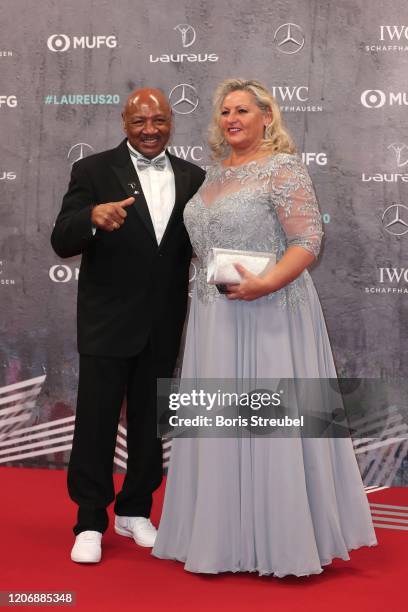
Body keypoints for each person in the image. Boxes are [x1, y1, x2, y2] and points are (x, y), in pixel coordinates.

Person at [152, 79, 377, 577]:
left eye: (243, 110)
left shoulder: (284, 169)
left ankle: (287, 542)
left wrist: (268, 282)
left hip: (272, 312)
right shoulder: (211, 176)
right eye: (225, 111)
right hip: (216, 318)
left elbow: (307, 238)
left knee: (276, 423)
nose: (232, 118)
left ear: (266, 117)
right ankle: (221, 536)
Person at [51, 88, 205, 563]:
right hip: (106, 320)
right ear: (124, 122)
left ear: (171, 121)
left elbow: (201, 245)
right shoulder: (93, 170)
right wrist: (90, 218)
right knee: (96, 422)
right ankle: (90, 520)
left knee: (148, 424)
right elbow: (61, 239)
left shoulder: (194, 176)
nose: (150, 130)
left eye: (158, 121)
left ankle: (136, 510)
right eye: (140, 122)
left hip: (163, 321)